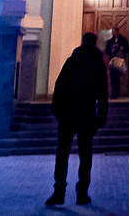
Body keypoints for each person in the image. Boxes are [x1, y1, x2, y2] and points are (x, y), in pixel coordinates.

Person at [47, 31, 109, 207]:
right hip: (87, 114)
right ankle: (82, 193)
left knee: (62, 154)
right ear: (95, 43)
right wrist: (101, 118)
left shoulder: (71, 61)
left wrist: (57, 111)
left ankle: (59, 192)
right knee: (85, 154)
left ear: (82, 42)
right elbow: (103, 94)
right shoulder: (98, 65)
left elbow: (59, 86)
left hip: (67, 114)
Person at [104, 30, 129, 99]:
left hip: (119, 60)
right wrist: (112, 48)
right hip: (112, 61)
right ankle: (113, 93)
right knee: (112, 77)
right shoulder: (110, 41)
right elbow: (107, 50)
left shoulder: (123, 40)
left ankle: (117, 93)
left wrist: (122, 48)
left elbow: (128, 48)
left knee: (117, 77)